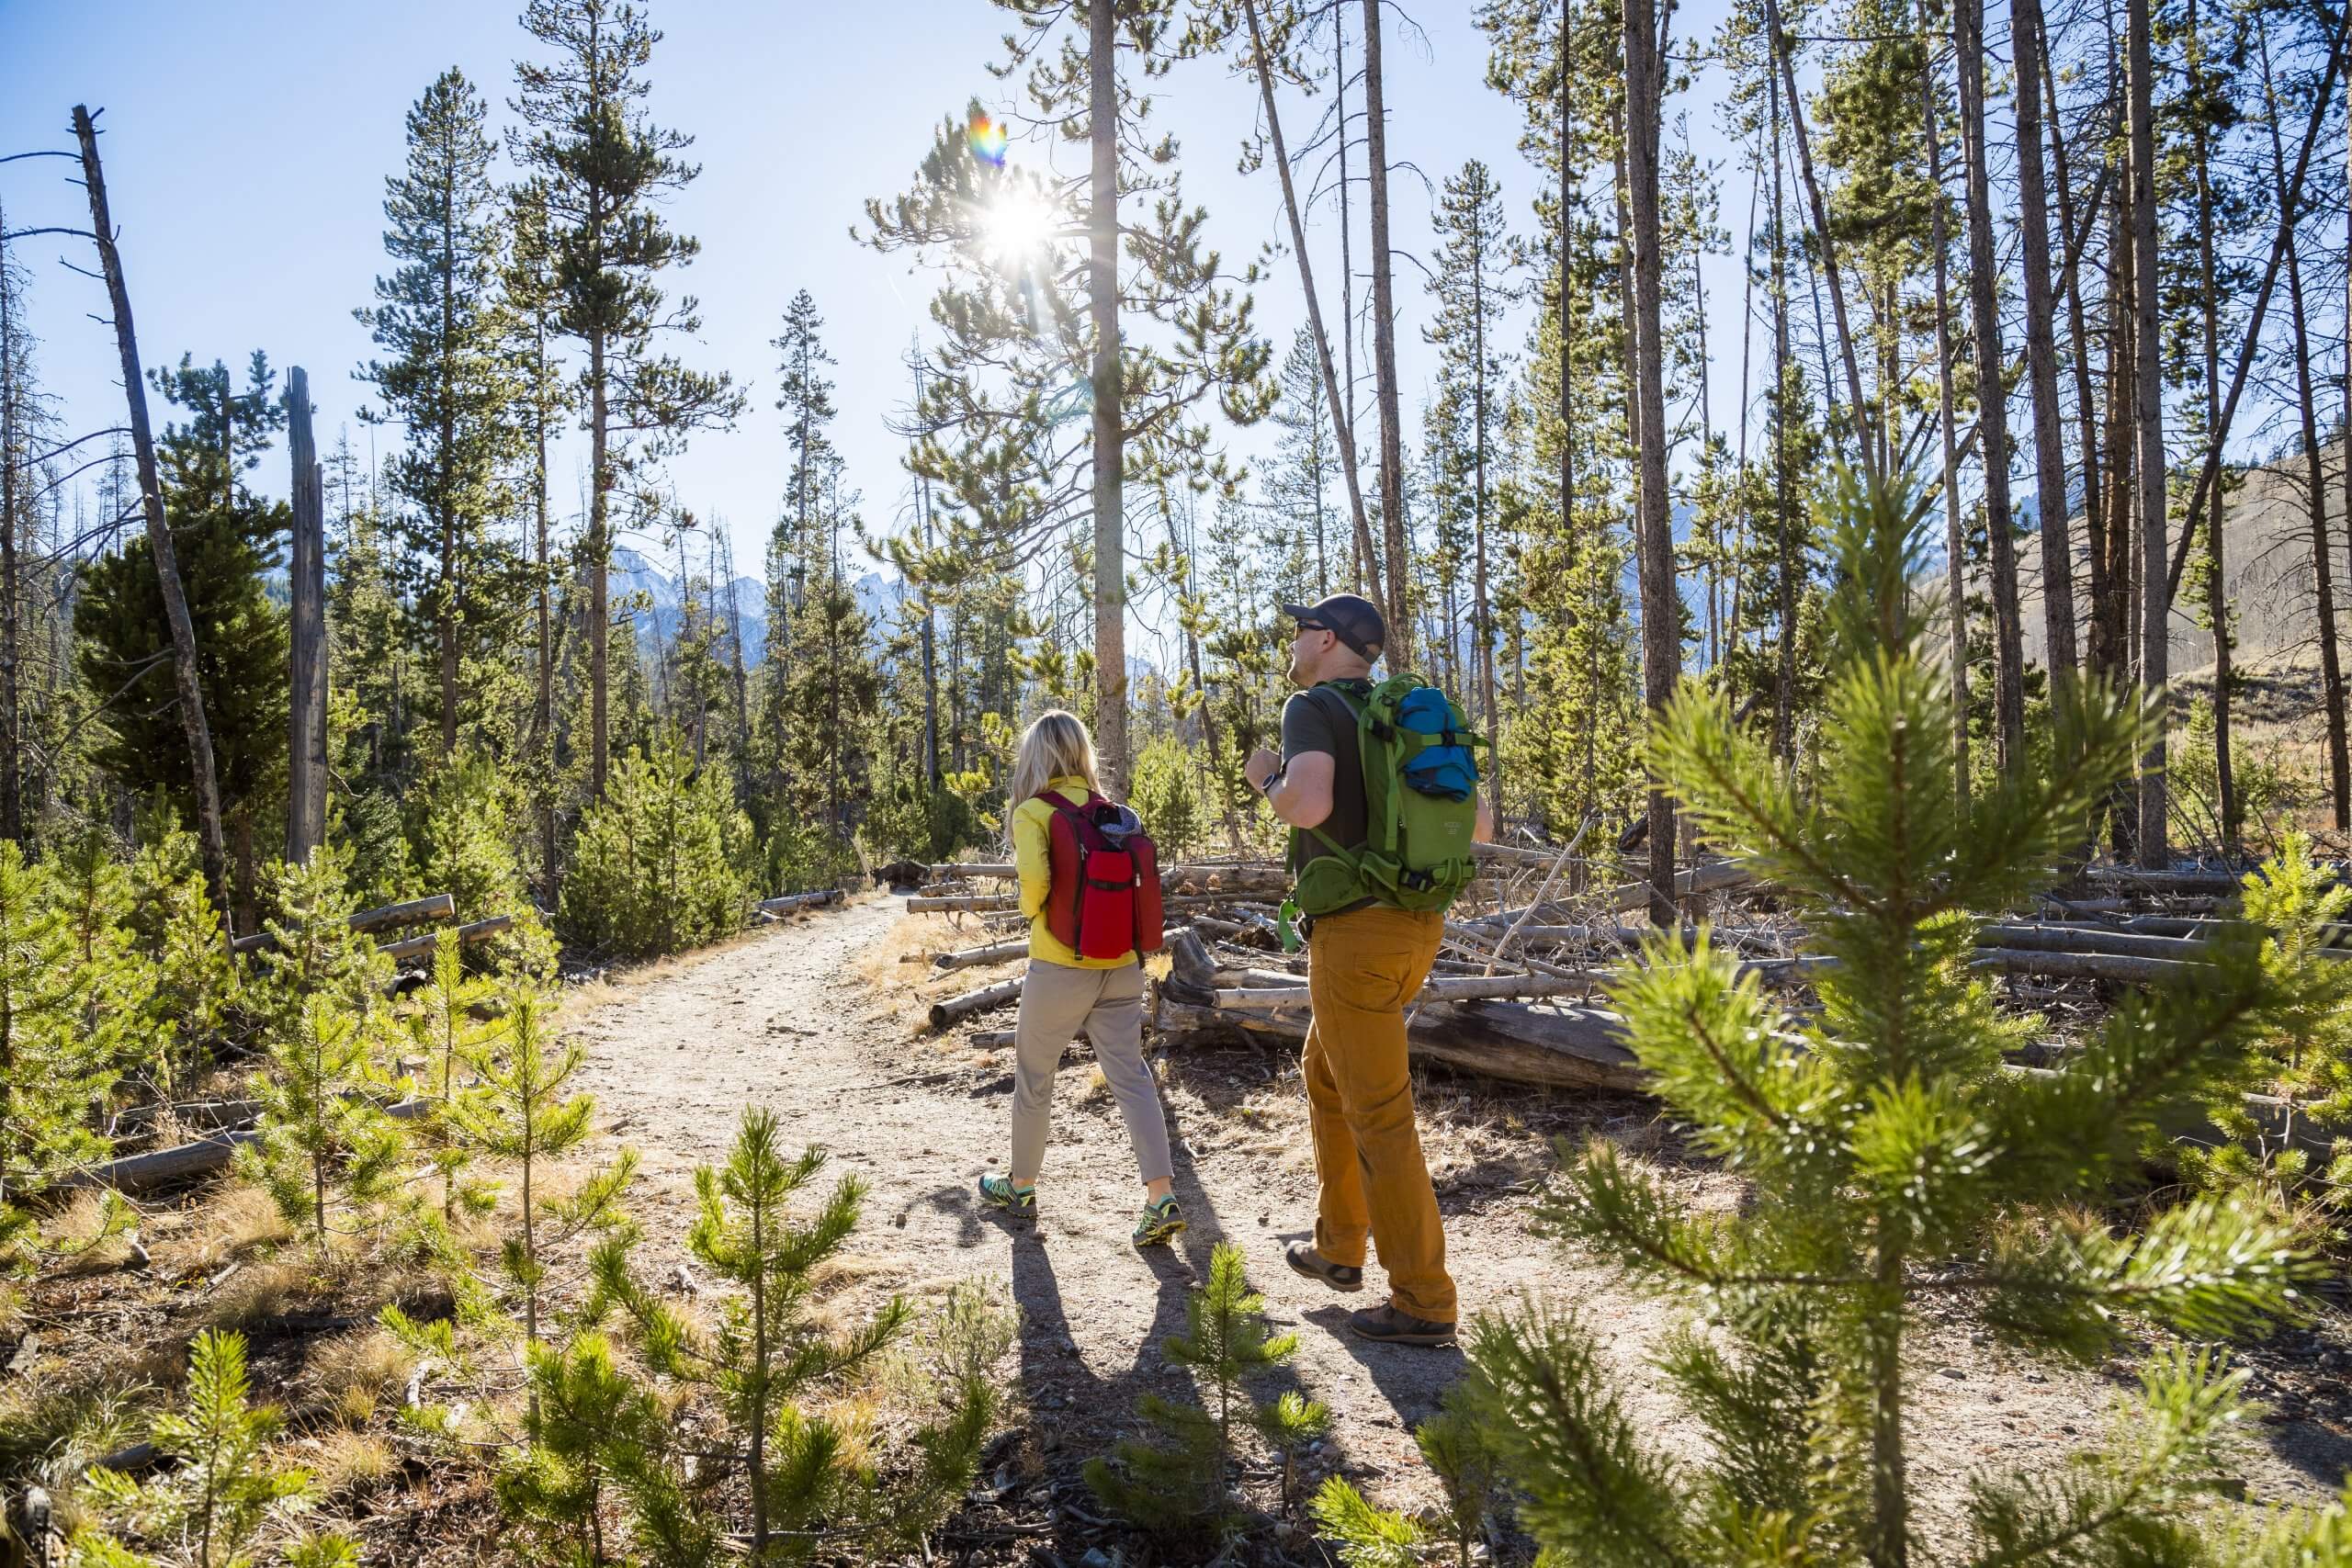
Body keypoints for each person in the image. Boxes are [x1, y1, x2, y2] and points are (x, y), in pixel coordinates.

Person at [1244, 594, 1491, 1346]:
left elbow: (1309, 800)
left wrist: (1268, 780)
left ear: (1324, 639)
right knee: (1325, 1072)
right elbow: (1480, 824)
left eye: (1298, 630)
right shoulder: (1404, 713)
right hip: (1417, 927)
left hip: (1355, 936)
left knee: (1381, 1113)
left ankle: (1423, 1297)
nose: (1292, 641)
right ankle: (1339, 1246)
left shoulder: (1311, 707)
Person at [976, 710, 1186, 1247]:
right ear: (1082, 754)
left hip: (1059, 968)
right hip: (1119, 966)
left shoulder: (1033, 812)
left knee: (1035, 1076)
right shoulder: (1114, 814)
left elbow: (1035, 883)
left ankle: (1021, 1188)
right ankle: (1160, 1198)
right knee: (1132, 1077)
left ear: (1036, 756)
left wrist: (1031, 912)